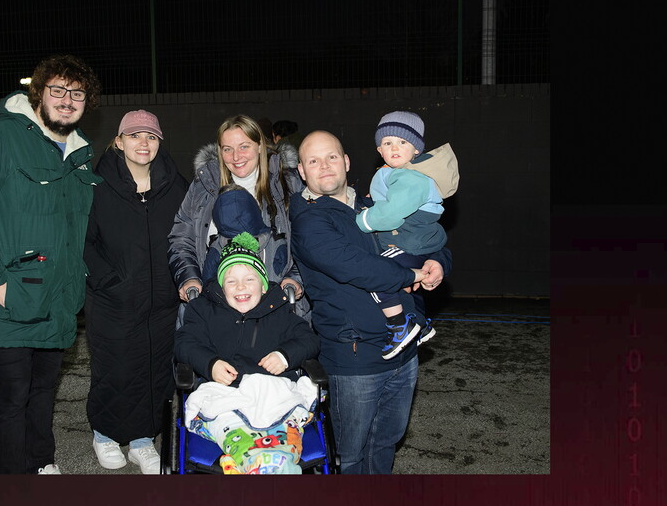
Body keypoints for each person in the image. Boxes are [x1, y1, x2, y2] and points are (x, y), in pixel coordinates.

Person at [0, 53, 103, 475]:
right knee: (13, 396)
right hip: (11, 294)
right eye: (58, 90)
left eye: (77, 93)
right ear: (38, 94)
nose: (67, 100)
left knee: (44, 390)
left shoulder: (80, 151)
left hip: (58, 297)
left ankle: (41, 463)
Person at [289, 130, 452, 475]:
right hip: (355, 358)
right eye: (313, 161)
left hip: (405, 349)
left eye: (332, 157)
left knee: (386, 443)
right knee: (350, 455)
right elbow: (358, 267)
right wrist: (411, 275)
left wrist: (437, 262)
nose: (324, 166)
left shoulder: (376, 204)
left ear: (346, 162)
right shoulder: (309, 221)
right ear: (302, 171)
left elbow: (422, 235)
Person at [83, 109, 189, 474]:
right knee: (114, 369)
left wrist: (179, 280)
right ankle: (105, 434)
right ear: (119, 141)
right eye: (134, 135)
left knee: (156, 371)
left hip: (163, 303)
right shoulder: (96, 185)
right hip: (113, 300)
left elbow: (187, 237)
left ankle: (144, 440)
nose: (143, 143)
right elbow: (83, 241)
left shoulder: (175, 185)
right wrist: (108, 281)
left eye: (151, 136)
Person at [174, 232, 320, 474]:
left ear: (263, 285)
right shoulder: (204, 310)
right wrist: (210, 364)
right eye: (231, 281)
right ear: (222, 287)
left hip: (275, 395)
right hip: (225, 397)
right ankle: (258, 464)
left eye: (249, 279)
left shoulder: (279, 309)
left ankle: (266, 464)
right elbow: (184, 343)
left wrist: (285, 356)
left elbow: (309, 340)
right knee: (240, 438)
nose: (240, 286)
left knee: (284, 440)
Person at [168, 114, 309, 319]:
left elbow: (309, 239)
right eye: (228, 149)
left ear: (260, 146)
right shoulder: (204, 185)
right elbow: (182, 238)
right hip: (214, 310)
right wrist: (189, 277)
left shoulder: (287, 183)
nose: (236, 157)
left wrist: (295, 278)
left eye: (244, 146)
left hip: (276, 308)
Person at [356, 111, 459, 359]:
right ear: (379, 150)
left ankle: (400, 326)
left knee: (377, 273)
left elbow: (391, 214)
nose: (394, 148)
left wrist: (362, 219)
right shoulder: (396, 173)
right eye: (387, 142)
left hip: (408, 243)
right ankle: (419, 325)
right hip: (408, 241)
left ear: (416, 149)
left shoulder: (411, 177)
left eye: (402, 142)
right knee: (397, 283)